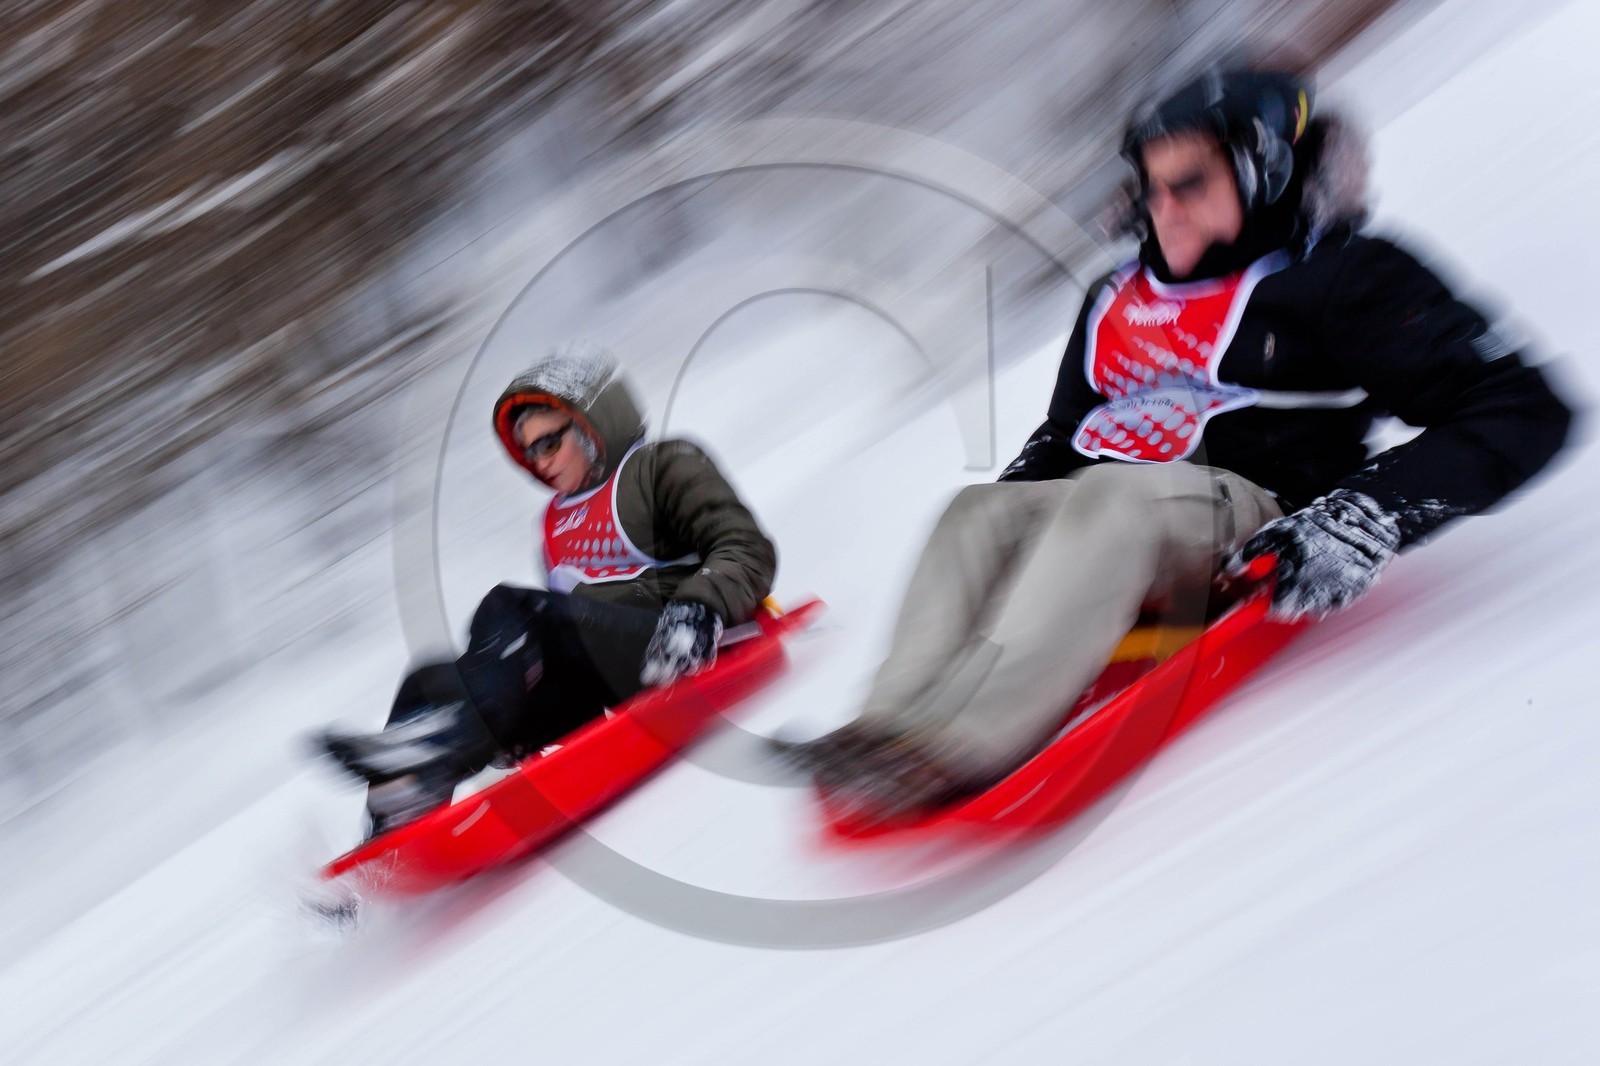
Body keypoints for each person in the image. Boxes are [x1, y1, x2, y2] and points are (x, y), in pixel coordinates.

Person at [779, 69, 1574, 825]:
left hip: (1249, 510)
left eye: (1190, 182)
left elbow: (1519, 406)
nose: (1165, 209)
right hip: (1116, 514)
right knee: (975, 510)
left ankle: (961, 742)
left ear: (1260, 173)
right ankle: (884, 728)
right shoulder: (1118, 297)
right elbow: (1068, 433)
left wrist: (1360, 518)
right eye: (1152, 188)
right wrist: (1020, 513)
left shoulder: (1344, 278)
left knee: (1113, 498)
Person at [319, 342, 778, 834]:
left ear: (590, 427)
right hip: (609, 679)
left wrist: (698, 610)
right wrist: (519, 704)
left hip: (682, 644)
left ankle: (448, 738)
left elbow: (745, 546)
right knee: (428, 682)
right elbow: (569, 641)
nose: (538, 461)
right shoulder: (554, 525)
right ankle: (390, 829)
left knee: (514, 607)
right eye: (528, 450)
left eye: (549, 443)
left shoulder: (660, 469)